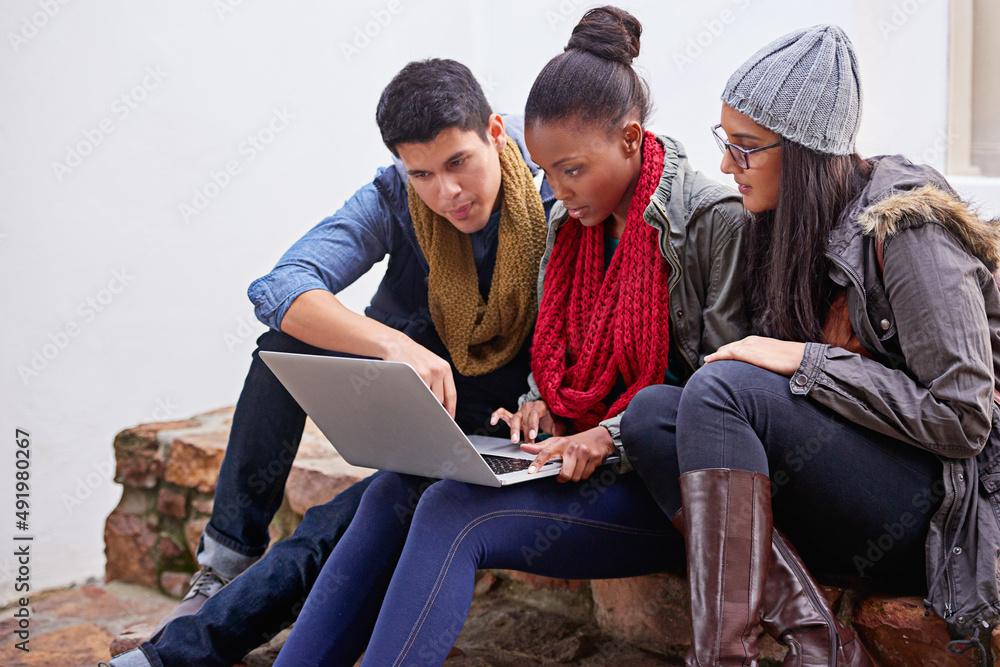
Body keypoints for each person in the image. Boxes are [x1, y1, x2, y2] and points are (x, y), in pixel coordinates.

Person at [270, 7, 748, 666]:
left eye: (571, 170)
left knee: (453, 511)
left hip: (669, 493)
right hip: (566, 458)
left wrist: (603, 435)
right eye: (546, 172)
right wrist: (540, 402)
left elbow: (723, 398)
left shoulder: (711, 221)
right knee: (396, 487)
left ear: (632, 139)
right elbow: (559, 351)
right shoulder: (569, 220)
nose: (554, 191)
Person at [108, 58, 554, 667]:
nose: (446, 193)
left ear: (496, 133)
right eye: (422, 172)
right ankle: (221, 567)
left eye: (458, 164)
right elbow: (280, 287)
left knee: (332, 528)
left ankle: (167, 658)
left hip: (495, 418)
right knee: (279, 351)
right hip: (409, 391)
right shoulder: (396, 196)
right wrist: (393, 345)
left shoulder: (552, 188)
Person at [623, 24, 1000, 665]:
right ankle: (819, 645)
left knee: (721, 390)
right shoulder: (780, 225)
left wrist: (810, 360)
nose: (724, 166)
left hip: (938, 516)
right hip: (838, 497)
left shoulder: (908, 230)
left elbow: (963, 417)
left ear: (802, 152)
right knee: (654, 417)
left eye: (745, 149)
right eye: (724, 142)